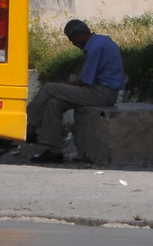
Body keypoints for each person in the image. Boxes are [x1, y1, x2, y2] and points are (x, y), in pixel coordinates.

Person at [25, 19, 125, 163]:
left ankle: (30, 126)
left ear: (79, 35)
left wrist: (65, 86)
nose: (73, 43)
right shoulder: (102, 40)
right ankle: (54, 151)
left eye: (72, 39)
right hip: (100, 90)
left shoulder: (95, 48)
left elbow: (85, 80)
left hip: (102, 93)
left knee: (49, 88)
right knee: (55, 103)